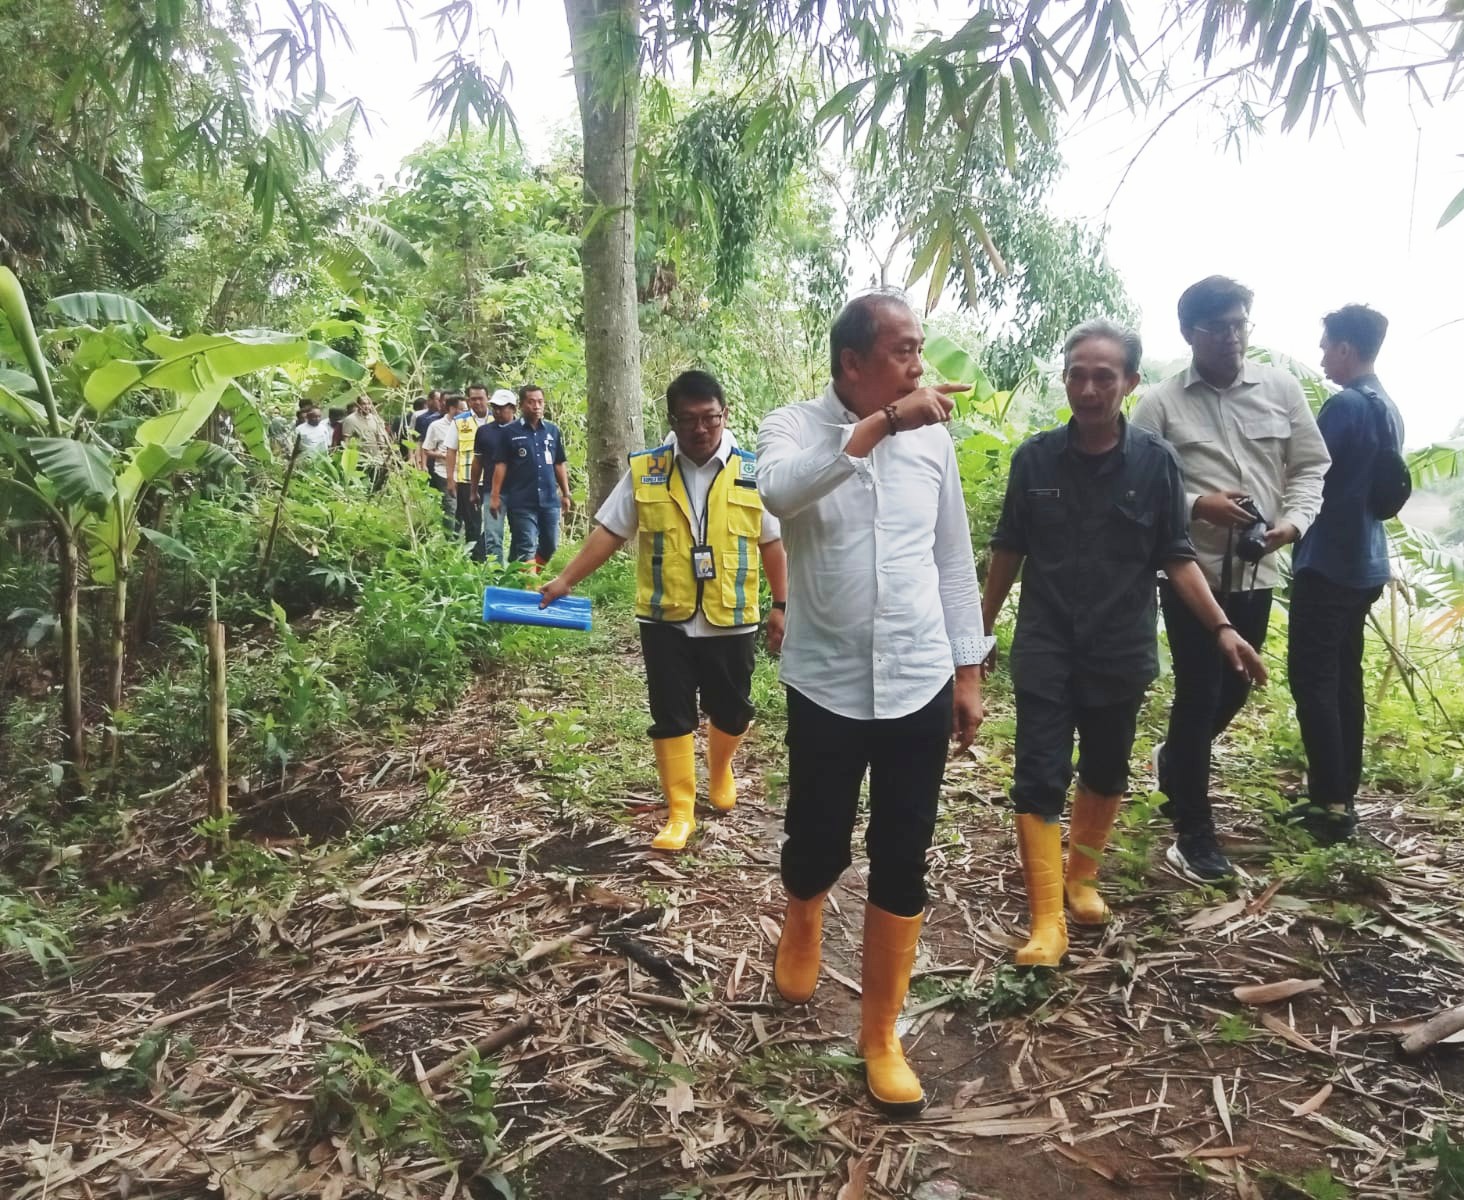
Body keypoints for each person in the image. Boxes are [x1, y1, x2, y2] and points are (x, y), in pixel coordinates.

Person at [758, 291, 988, 1119]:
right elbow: (779, 497)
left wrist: (968, 671)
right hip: (826, 682)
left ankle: (881, 1035)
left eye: (918, 350)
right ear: (852, 363)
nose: (919, 366)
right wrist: (881, 427)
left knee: (904, 848)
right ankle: (805, 913)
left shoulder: (936, 445)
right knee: (816, 833)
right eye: (902, 352)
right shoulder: (791, 426)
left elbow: (952, 559)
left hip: (919, 678)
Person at [982, 320, 1268, 968]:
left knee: (1107, 768)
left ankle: (1082, 878)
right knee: (1038, 775)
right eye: (1077, 374)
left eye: (1103, 376)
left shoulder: (1155, 463)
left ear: (1129, 383)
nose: (1088, 388)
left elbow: (1177, 554)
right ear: (1065, 379)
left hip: (1120, 643)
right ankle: (1047, 919)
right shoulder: (1034, 459)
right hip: (1046, 641)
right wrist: (981, 628)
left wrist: (1222, 628)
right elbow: (1009, 548)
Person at [1130, 276, 1329, 883]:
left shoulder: (1281, 389)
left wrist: (1292, 524)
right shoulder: (1160, 404)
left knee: (1236, 686)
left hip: (1258, 565)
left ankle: (1175, 760)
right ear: (1190, 333)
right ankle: (1194, 832)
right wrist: (1197, 506)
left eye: (1241, 323)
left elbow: (1311, 465)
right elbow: (1136, 487)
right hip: (1191, 572)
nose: (1233, 336)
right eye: (1218, 327)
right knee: (1198, 694)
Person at [540, 370, 788, 849]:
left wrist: (781, 604)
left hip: (731, 617)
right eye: (689, 420)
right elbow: (611, 531)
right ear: (671, 421)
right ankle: (680, 811)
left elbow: (773, 544)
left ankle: (720, 770)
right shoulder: (647, 470)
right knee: (672, 716)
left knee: (733, 711)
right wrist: (565, 580)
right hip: (664, 617)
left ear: (725, 415)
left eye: (710, 418)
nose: (700, 429)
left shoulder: (753, 472)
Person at [1287, 306, 1405, 842]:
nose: (1321, 355)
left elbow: (1304, 471)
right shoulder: (1389, 407)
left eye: (1326, 345)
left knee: (1312, 680)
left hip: (1328, 563)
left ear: (1346, 350)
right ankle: (1339, 793)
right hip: (1365, 563)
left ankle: (1330, 806)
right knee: (1343, 678)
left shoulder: (1344, 407)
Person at [488, 384, 572, 573]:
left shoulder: (552, 431)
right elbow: (501, 465)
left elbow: (559, 463)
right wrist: (495, 496)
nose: (536, 406)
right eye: (531, 402)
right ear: (522, 405)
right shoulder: (509, 432)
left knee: (550, 546)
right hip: (522, 501)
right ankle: (530, 589)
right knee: (526, 547)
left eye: (540, 402)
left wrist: (566, 493)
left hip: (549, 500)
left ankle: (525, 574)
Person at [448, 384, 493, 559]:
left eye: (480, 398)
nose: (477, 402)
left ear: (487, 398)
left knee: (491, 523)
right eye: (473, 399)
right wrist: (450, 479)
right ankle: (474, 561)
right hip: (466, 481)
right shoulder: (460, 421)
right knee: (473, 523)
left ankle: (484, 555)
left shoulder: (498, 419)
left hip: (492, 481)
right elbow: (451, 450)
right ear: (468, 400)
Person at [476, 390, 519, 563]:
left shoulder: (524, 431)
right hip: (491, 491)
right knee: (493, 536)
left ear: (513, 408)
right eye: (495, 408)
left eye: (502, 408)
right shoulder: (484, 432)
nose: (498, 412)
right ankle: (497, 576)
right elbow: (477, 462)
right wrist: (473, 490)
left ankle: (517, 573)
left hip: (519, 491)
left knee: (521, 536)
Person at [422, 394, 465, 527]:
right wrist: (442, 455)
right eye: (462, 409)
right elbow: (426, 449)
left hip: (464, 474)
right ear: (452, 409)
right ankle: (450, 541)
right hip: (444, 472)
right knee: (450, 506)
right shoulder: (436, 426)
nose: (466, 412)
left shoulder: (468, 424)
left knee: (462, 509)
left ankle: (458, 538)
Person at [413, 389, 444, 469]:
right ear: (429, 401)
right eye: (438, 400)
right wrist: (420, 462)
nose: (441, 403)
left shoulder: (449, 418)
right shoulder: (423, 418)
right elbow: (419, 441)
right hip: (429, 459)